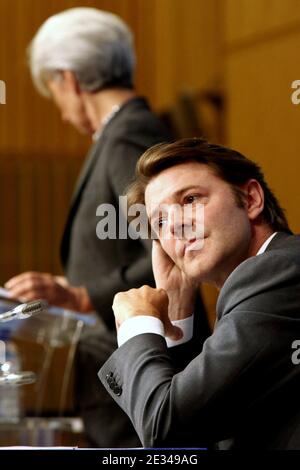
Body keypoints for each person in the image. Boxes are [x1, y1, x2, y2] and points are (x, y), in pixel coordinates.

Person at [4, 8, 182, 447]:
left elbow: (171, 250)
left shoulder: (126, 136)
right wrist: (72, 287)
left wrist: (82, 295)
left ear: (69, 79)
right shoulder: (119, 134)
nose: (62, 113)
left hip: (136, 377)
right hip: (120, 377)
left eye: (54, 93)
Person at [98, 137, 300, 450]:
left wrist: (138, 323)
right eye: (160, 221)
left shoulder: (280, 272)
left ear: (250, 200)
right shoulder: (264, 280)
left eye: (191, 199)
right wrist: (176, 312)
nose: (176, 225)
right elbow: (197, 427)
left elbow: (163, 426)